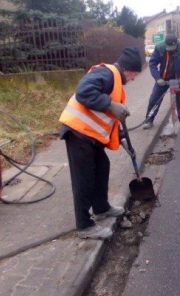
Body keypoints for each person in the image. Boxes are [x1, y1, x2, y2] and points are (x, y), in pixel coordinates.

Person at [59, 47, 142, 240]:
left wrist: (123, 140)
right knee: (84, 179)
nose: (135, 79)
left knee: (102, 166)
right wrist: (110, 104)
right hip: (78, 133)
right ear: (128, 69)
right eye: (135, 74)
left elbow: (109, 119)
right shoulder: (106, 73)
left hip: (90, 136)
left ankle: (101, 208)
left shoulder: (117, 86)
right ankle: (84, 225)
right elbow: (83, 92)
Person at [143, 34, 180, 134]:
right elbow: (153, 63)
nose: (170, 50)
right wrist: (157, 78)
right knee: (154, 99)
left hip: (179, 78)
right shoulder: (160, 47)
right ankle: (149, 120)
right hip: (163, 78)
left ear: (176, 44)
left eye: (172, 48)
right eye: (168, 48)